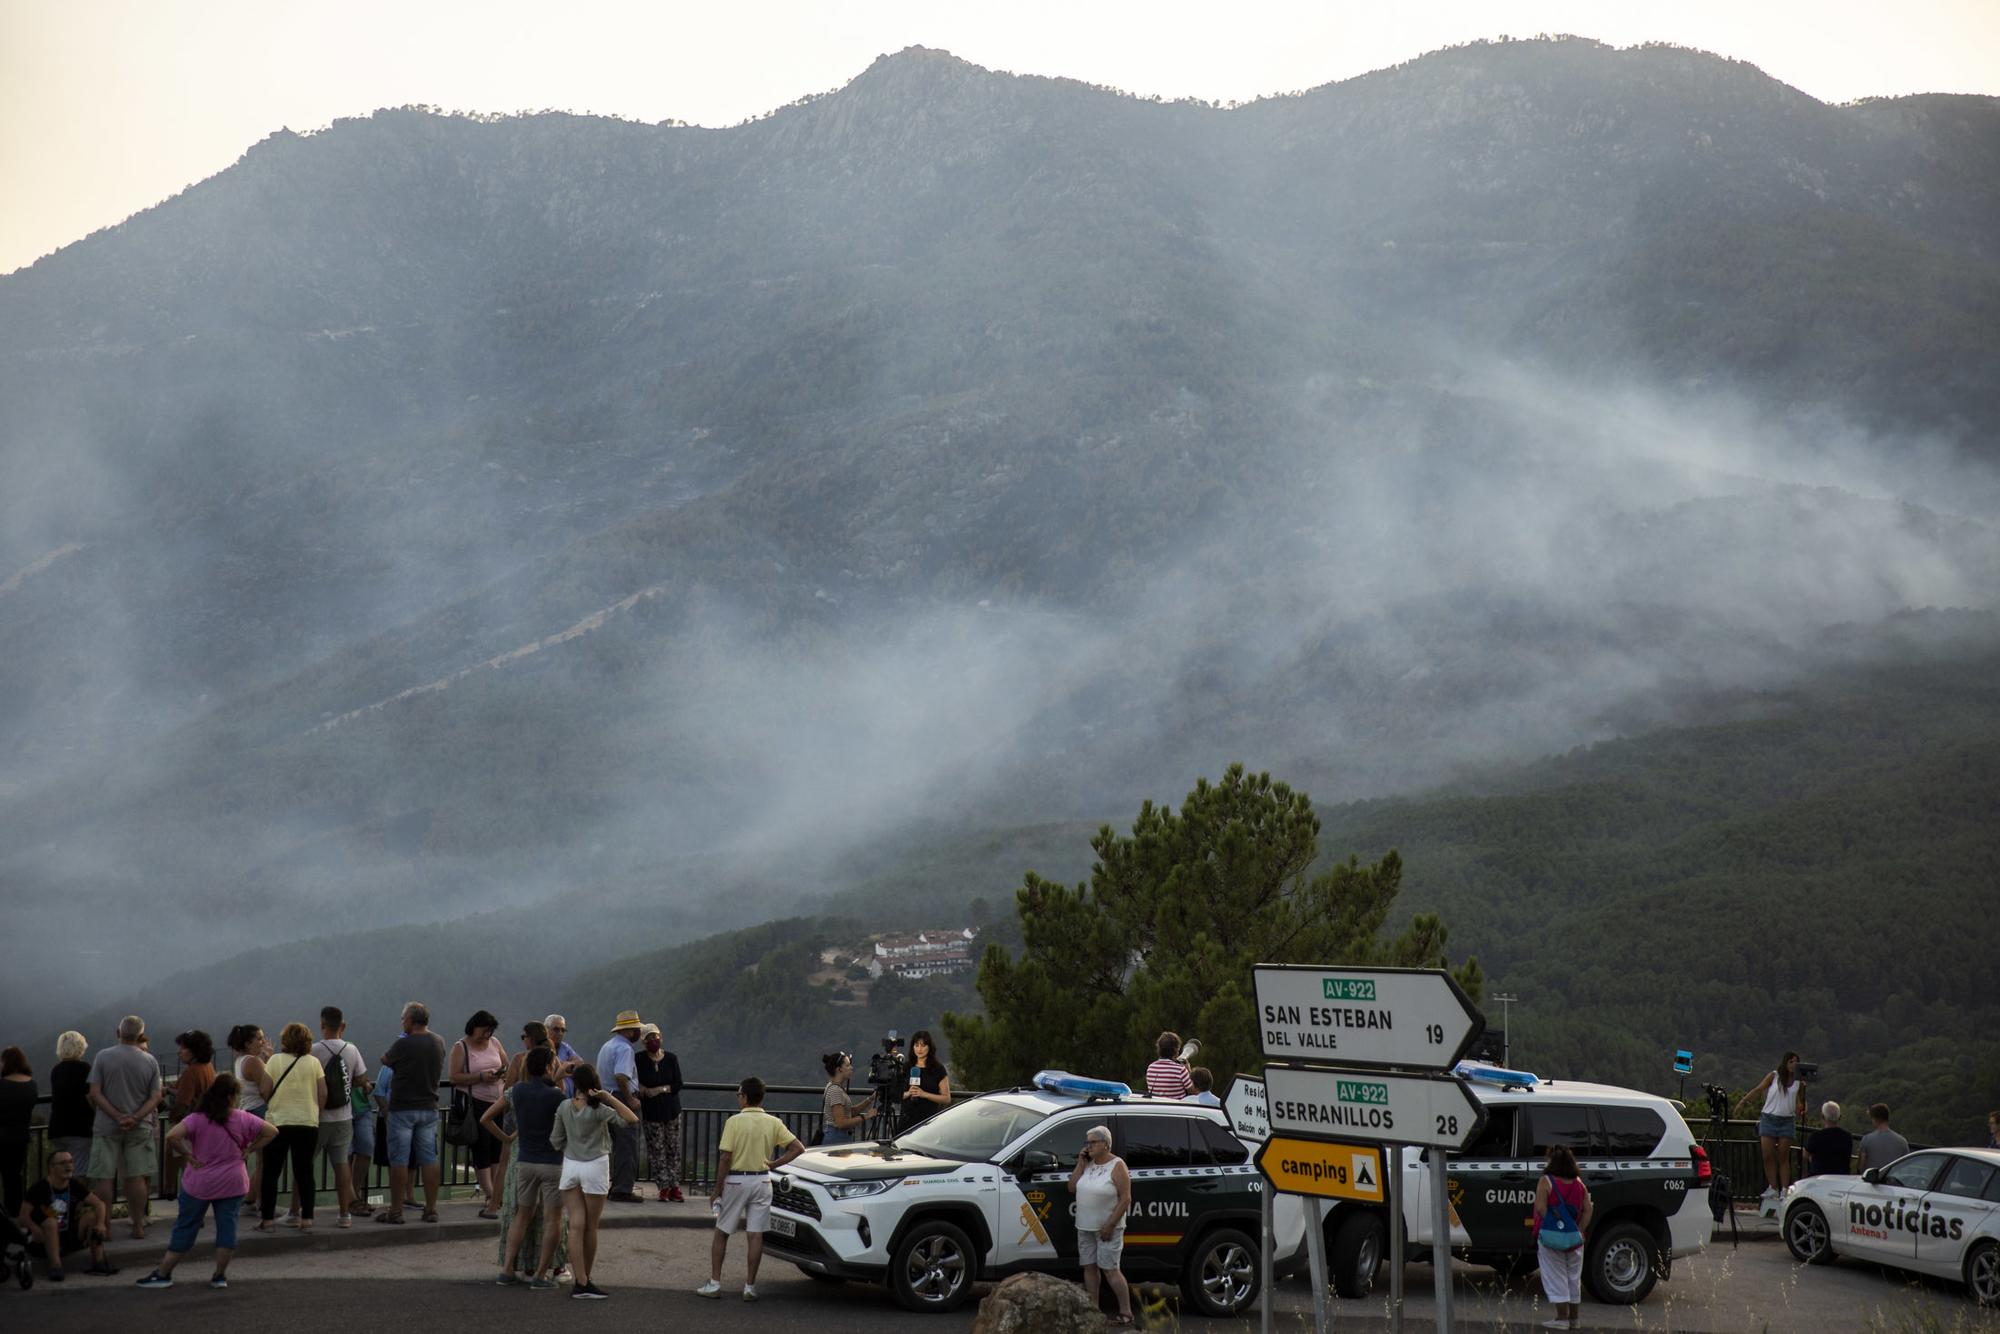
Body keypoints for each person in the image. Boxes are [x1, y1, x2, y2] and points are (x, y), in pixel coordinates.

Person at [134, 1073, 277, 1290]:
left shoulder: (197, 1119)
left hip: (200, 1182)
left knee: (186, 1227)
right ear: (231, 1097)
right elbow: (271, 1131)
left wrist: (189, 1155)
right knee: (227, 1228)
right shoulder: (243, 1118)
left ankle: (164, 1273)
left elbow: (172, 1136)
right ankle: (219, 1276)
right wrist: (249, 1149)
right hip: (233, 1182)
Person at [697, 1076, 802, 1302]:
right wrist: (774, 1164)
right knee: (755, 1235)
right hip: (763, 1180)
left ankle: (715, 1283)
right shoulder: (773, 1122)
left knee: (722, 1231)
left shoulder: (734, 1122)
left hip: (736, 1180)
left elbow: (726, 1157)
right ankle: (750, 1287)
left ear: (744, 1097)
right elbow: (797, 1148)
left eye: (739, 1095)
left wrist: (717, 1189)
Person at [551, 1063, 638, 1299]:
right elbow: (630, 1119)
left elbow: (556, 1141)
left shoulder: (564, 1106)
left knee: (575, 1225)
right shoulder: (600, 1109)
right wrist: (608, 1098)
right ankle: (586, 1281)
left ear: (575, 1084)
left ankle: (579, 1280)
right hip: (595, 1166)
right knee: (591, 1226)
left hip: (571, 1166)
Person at [484, 1047, 567, 1287]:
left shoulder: (516, 1092)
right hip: (551, 1163)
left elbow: (485, 1118)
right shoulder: (557, 1097)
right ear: (549, 1067)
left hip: (525, 1162)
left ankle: (507, 1270)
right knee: (553, 1219)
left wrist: (507, 1138)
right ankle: (541, 1276)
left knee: (522, 1216)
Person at [87, 1014, 163, 1240]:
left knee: (105, 1177)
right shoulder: (150, 1061)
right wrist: (135, 1117)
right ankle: (138, 1225)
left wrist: (117, 1116)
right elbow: (156, 1096)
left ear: (118, 1033)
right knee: (136, 1176)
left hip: (107, 1126)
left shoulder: (103, 1057)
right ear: (140, 1035)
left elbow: (95, 1093)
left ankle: (105, 1226)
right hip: (140, 1127)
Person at [378, 1001, 447, 1225]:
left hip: (402, 1109)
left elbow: (385, 1060)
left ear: (410, 1020)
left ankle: (396, 1211)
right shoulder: (438, 1041)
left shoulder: (403, 1044)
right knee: (429, 1158)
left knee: (399, 1159)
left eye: (403, 1019)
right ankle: (431, 1209)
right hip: (429, 1108)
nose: (402, 1022)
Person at [256, 1022, 325, 1231]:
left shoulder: (274, 1060)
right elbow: (323, 1094)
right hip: (307, 1123)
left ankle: (267, 1221)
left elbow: (264, 1090)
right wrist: (315, 1112)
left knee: (271, 1172)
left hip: (277, 1123)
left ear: (285, 1040)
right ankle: (307, 1219)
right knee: (305, 1172)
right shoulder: (313, 1063)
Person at [1069, 1123, 1133, 1325]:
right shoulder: (1088, 1163)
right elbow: (1071, 1187)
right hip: (1085, 1226)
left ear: (1105, 1144)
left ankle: (1126, 1313)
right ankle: (1093, 1310)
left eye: (1093, 1142)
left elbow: (1125, 1199)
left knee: (1110, 1269)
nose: (1089, 1146)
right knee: (1089, 1267)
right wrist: (1080, 1162)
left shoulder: (1117, 1165)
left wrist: (1110, 1225)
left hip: (1108, 1227)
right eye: (1087, 1142)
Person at [17, 1148, 114, 1280]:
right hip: (44, 1240)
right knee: (51, 1222)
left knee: (93, 1216)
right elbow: (22, 1217)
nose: (68, 1166)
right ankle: (55, 1267)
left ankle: (99, 1262)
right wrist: (34, 1229)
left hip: (69, 1236)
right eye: (63, 1163)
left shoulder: (73, 1185)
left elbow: (99, 1204)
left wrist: (101, 1223)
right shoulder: (39, 1188)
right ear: (51, 1168)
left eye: (71, 1162)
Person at [312, 1006, 368, 1227]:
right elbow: (361, 1078)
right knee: (341, 1165)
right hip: (344, 1118)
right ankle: (345, 1215)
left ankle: (297, 1212)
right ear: (342, 1026)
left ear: (322, 1025)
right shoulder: (352, 1049)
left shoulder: (314, 1050)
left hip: (317, 1117)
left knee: (305, 1165)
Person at [449, 1010, 508, 1217]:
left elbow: (506, 1065)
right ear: (474, 1027)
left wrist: (501, 1075)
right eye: (484, 1031)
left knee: (496, 1148)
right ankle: (491, 1194)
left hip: (497, 1102)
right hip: (475, 1103)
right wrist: (481, 1076)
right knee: (481, 1148)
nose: (487, 1035)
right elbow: (454, 1077)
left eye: (490, 1032)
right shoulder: (461, 1047)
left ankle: (495, 1193)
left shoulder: (495, 1043)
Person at [1532, 1145, 1593, 1332]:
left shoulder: (1546, 1181)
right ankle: (1574, 1319)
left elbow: (1540, 1207)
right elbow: (1588, 1209)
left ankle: (1561, 1318)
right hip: (1575, 1239)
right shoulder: (1579, 1183)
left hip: (1551, 1236)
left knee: (1555, 1275)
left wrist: (1554, 1222)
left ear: (1552, 1161)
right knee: (1573, 1278)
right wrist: (1578, 1229)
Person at [1735, 1051, 1806, 1211]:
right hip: (1769, 1118)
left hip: (1786, 1120)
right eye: (1791, 1061)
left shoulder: (1799, 1083)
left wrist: (1802, 1109)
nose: (1793, 1065)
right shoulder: (1774, 1076)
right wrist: (1743, 1101)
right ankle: (1773, 1187)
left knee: (1783, 1155)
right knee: (1767, 1154)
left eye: (1796, 1062)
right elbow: (1759, 1089)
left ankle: (1784, 1189)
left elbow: (1801, 1102)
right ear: (1785, 1063)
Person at [595, 1011, 645, 1202]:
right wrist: (630, 1100)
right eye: (637, 1030)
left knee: (613, 1144)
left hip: (606, 1097)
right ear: (629, 1031)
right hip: (620, 1099)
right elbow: (621, 1076)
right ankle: (622, 1189)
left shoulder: (608, 1046)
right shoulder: (625, 1049)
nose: (639, 1034)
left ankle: (613, 1185)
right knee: (627, 1144)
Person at [636, 1022, 685, 1201]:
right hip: (651, 1113)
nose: (653, 1041)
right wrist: (641, 1088)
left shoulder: (671, 1058)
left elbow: (678, 1084)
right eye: (649, 1038)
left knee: (673, 1149)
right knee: (657, 1150)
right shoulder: (639, 1059)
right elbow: (634, 1080)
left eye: (655, 1037)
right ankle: (663, 1187)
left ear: (660, 1037)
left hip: (672, 1110)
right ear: (644, 1042)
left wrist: (658, 1090)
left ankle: (675, 1186)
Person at [227, 1025, 272, 1210]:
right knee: (265, 1160)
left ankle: (250, 1197)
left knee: (259, 1159)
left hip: (247, 1111)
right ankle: (261, 1202)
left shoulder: (241, 1060)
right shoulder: (253, 1061)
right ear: (247, 1043)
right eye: (259, 1039)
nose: (263, 1042)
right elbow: (266, 1089)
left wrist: (267, 1059)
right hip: (260, 1111)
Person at [47, 1032, 95, 1185]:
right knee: (79, 1171)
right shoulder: (84, 1069)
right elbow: (91, 1096)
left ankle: (60, 1204)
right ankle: (76, 1206)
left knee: (61, 1172)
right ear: (80, 1047)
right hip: (80, 1128)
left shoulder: (56, 1070)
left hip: (57, 1128)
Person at [0, 1047, 36, 1221]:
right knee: (14, 1177)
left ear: (6, 1062)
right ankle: (14, 1215)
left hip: (2, 1137)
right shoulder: (31, 1085)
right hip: (20, 1137)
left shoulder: (2, 1085)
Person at [819, 1051, 877, 1146]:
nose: (851, 1068)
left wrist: (870, 1099)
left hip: (837, 1137)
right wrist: (866, 1116)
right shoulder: (836, 1091)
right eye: (847, 1065)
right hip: (837, 1138)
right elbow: (841, 1123)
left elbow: (849, 1112)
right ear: (839, 1069)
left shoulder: (834, 1087)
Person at [901, 1029, 952, 1131]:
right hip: (906, 1120)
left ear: (929, 1047)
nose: (919, 1049)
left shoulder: (938, 1069)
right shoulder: (906, 1067)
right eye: (916, 1045)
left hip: (928, 1121)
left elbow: (947, 1099)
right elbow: (896, 1094)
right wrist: (908, 1093)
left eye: (923, 1045)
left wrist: (924, 1094)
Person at [1804, 1101, 1855, 1177]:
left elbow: (1805, 1154)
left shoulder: (1816, 1136)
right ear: (1839, 1117)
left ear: (1823, 1117)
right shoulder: (1847, 1137)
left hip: (1819, 1176)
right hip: (1841, 1177)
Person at [1856, 1103, 1911, 1172]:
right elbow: (1906, 1166)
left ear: (1875, 1119)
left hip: (1871, 1181)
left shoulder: (1866, 1139)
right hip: (1892, 1181)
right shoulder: (1902, 1141)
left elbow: (1860, 1167)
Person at [1145, 1032, 1194, 1099]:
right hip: (1177, 1108)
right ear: (1176, 1050)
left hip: (1157, 1107)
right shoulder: (1180, 1070)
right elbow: (1193, 1092)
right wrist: (1188, 1070)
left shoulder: (1150, 1068)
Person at [546, 1014, 582, 1093]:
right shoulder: (541, 1049)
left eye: (563, 1030)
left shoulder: (565, 1047)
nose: (560, 1033)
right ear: (546, 1029)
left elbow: (580, 1063)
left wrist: (562, 1066)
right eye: (556, 1029)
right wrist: (568, 1066)